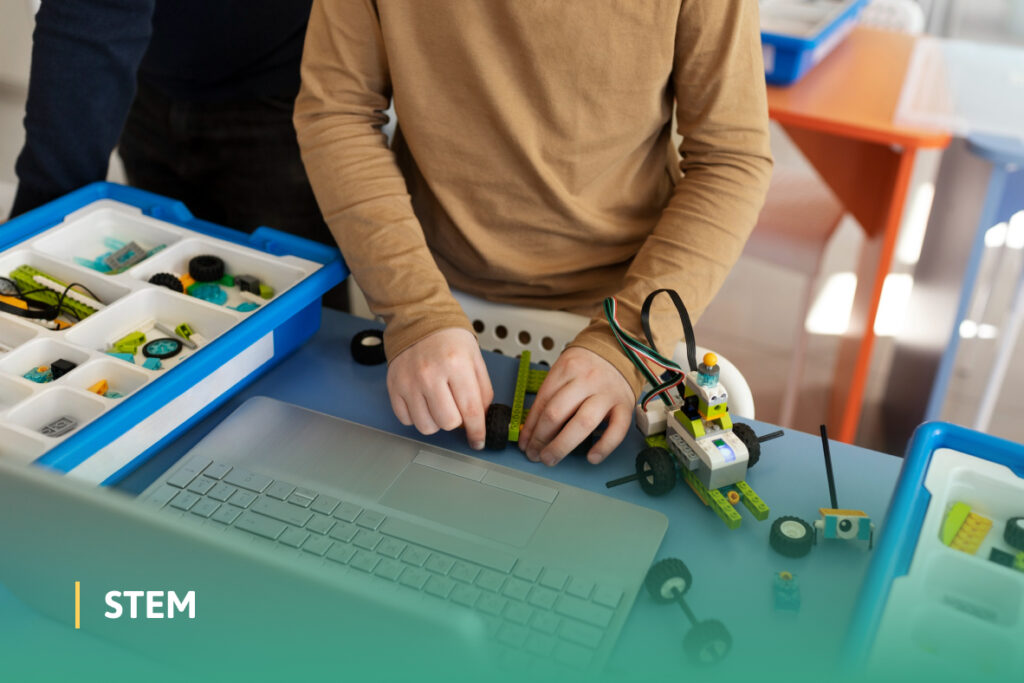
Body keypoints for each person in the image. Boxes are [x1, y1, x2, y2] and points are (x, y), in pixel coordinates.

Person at [295, 1, 772, 467]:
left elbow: (730, 158)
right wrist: (415, 308)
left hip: (617, 309)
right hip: (425, 293)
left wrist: (627, 340)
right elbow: (338, 112)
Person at [9, 0, 333, 257]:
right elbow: (95, 14)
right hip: (148, 82)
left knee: (301, 310)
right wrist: (39, 225)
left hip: (286, 93)